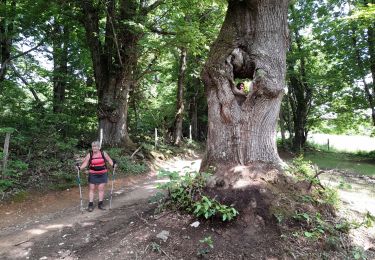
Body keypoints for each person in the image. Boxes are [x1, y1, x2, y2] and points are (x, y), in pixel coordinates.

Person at [76, 141, 116, 212]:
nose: (94, 148)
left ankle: (100, 204)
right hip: (93, 173)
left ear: (99, 147)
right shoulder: (90, 154)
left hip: (103, 173)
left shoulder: (103, 153)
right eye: (93, 146)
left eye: (96, 146)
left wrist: (113, 165)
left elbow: (109, 160)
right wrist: (79, 168)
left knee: (101, 188)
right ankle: (90, 205)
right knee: (92, 188)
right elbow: (85, 163)